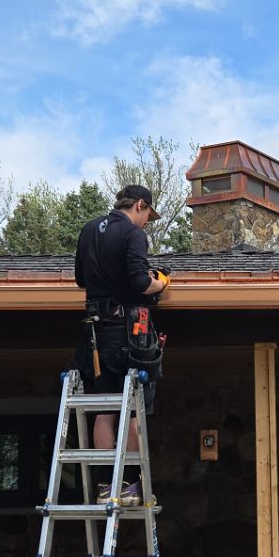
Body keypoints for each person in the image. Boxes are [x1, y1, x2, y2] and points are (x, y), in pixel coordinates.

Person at [71, 184, 169, 503]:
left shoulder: (88, 230)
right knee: (132, 412)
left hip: (94, 334)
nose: (146, 223)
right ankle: (127, 486)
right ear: (140, 204)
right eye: (147, 216)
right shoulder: (132, 234)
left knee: (104, 410)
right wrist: (161, 283)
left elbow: (81, 280)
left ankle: (105, 486)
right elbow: (140, 281)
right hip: (127, 332)